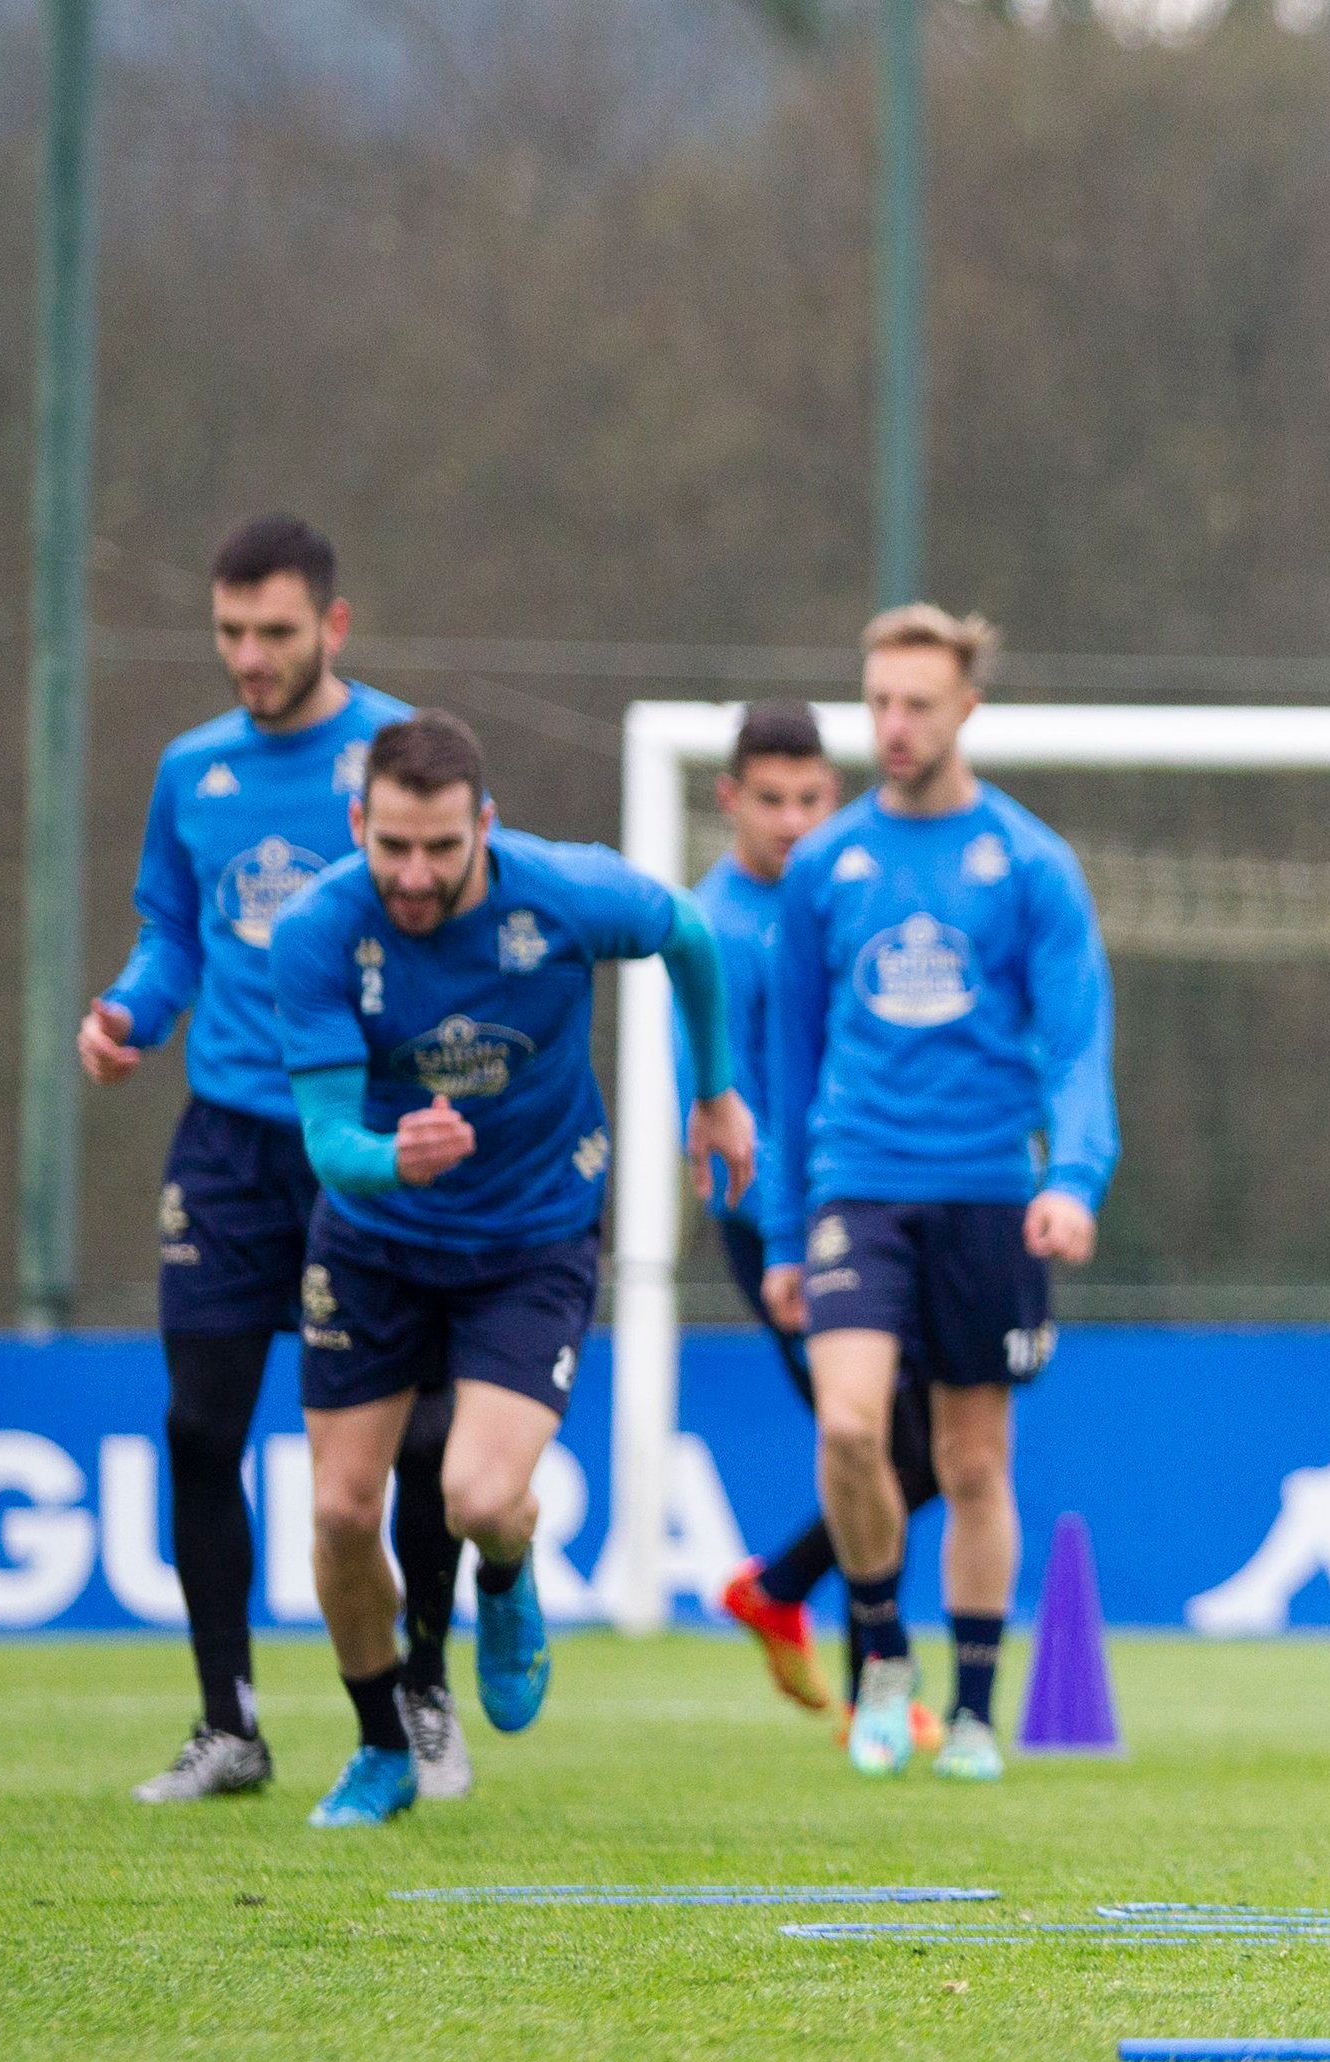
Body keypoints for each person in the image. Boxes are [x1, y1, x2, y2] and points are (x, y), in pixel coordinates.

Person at [267, 711, 751, 1827]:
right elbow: (328, 1140)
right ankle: (383, 1744)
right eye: (392, 846)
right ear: (358, 826)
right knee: (341, 1517)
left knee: (481, 1495)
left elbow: (690, 932)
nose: (417, 873)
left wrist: (714, 1088)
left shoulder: (566, 894)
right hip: (375, 1239)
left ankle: (505, 1573)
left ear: (485, 825)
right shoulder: (315, 931)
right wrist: (394, 1157)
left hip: (532, 1235)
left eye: (442, 847)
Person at [89, 514, 470, 1805]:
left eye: (276, 633)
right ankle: (229, 1726)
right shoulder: (190, 770)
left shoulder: (399, 764)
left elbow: (447, 942)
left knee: (419, 1442)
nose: (250, 657)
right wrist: (131, 1013)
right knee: (201, 1425)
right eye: (231, 633)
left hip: (362, 1138)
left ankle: (421, 1693)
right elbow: (169, 933)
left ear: (335, 627)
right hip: (229, 1140)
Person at [755, 607, 1118, 1784]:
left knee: (970, 1464)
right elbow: (787, 1065)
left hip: (984, 1196)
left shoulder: (1027, 863)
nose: (895, 726)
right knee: (851, 1424)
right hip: (858, 1184)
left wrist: (1069, 1176)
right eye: (879, 704)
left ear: (966, 708)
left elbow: (1074, 1044)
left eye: (918, 703)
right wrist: (779, 1228)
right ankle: (879, 1662)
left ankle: (970, 1711)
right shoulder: (824, 866)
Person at [688, 704, 944, 1735]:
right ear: (729, 800)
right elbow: (719, 1092)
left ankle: (784, 1592)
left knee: (903, 1447)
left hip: (873, 1198)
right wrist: (791, 1221)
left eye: (808, 798)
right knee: (878, 1444)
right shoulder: (713, 925)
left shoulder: (846, 897)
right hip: (779, 1220)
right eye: (770, 800)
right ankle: (876, 1682)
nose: (791, 820)